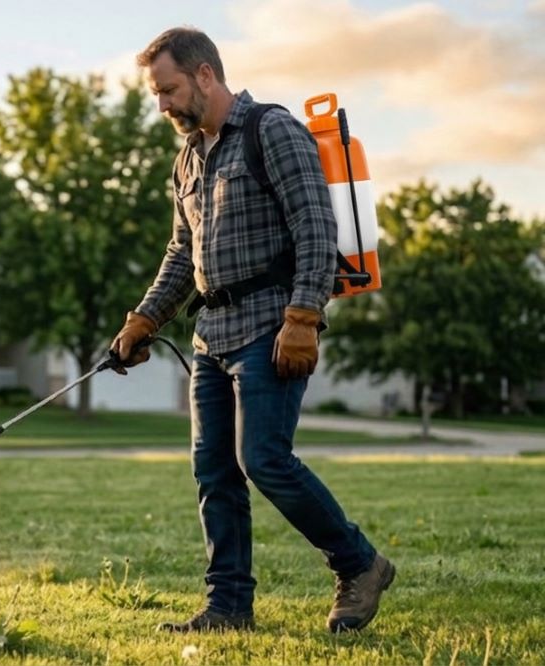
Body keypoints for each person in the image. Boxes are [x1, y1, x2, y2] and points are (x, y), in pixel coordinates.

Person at [111, 27, 394, 633]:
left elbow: (316, 227)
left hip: (271, 327)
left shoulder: (273, 130)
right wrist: (144, 318)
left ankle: (359, 564)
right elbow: (182, 253)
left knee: (262, 458)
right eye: (156, 94)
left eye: (168, 90)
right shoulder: (187, 156)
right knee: (214, 472)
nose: (161, 105)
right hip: (210, 335)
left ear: (205, 74)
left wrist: (303, 318)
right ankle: (228, 606)